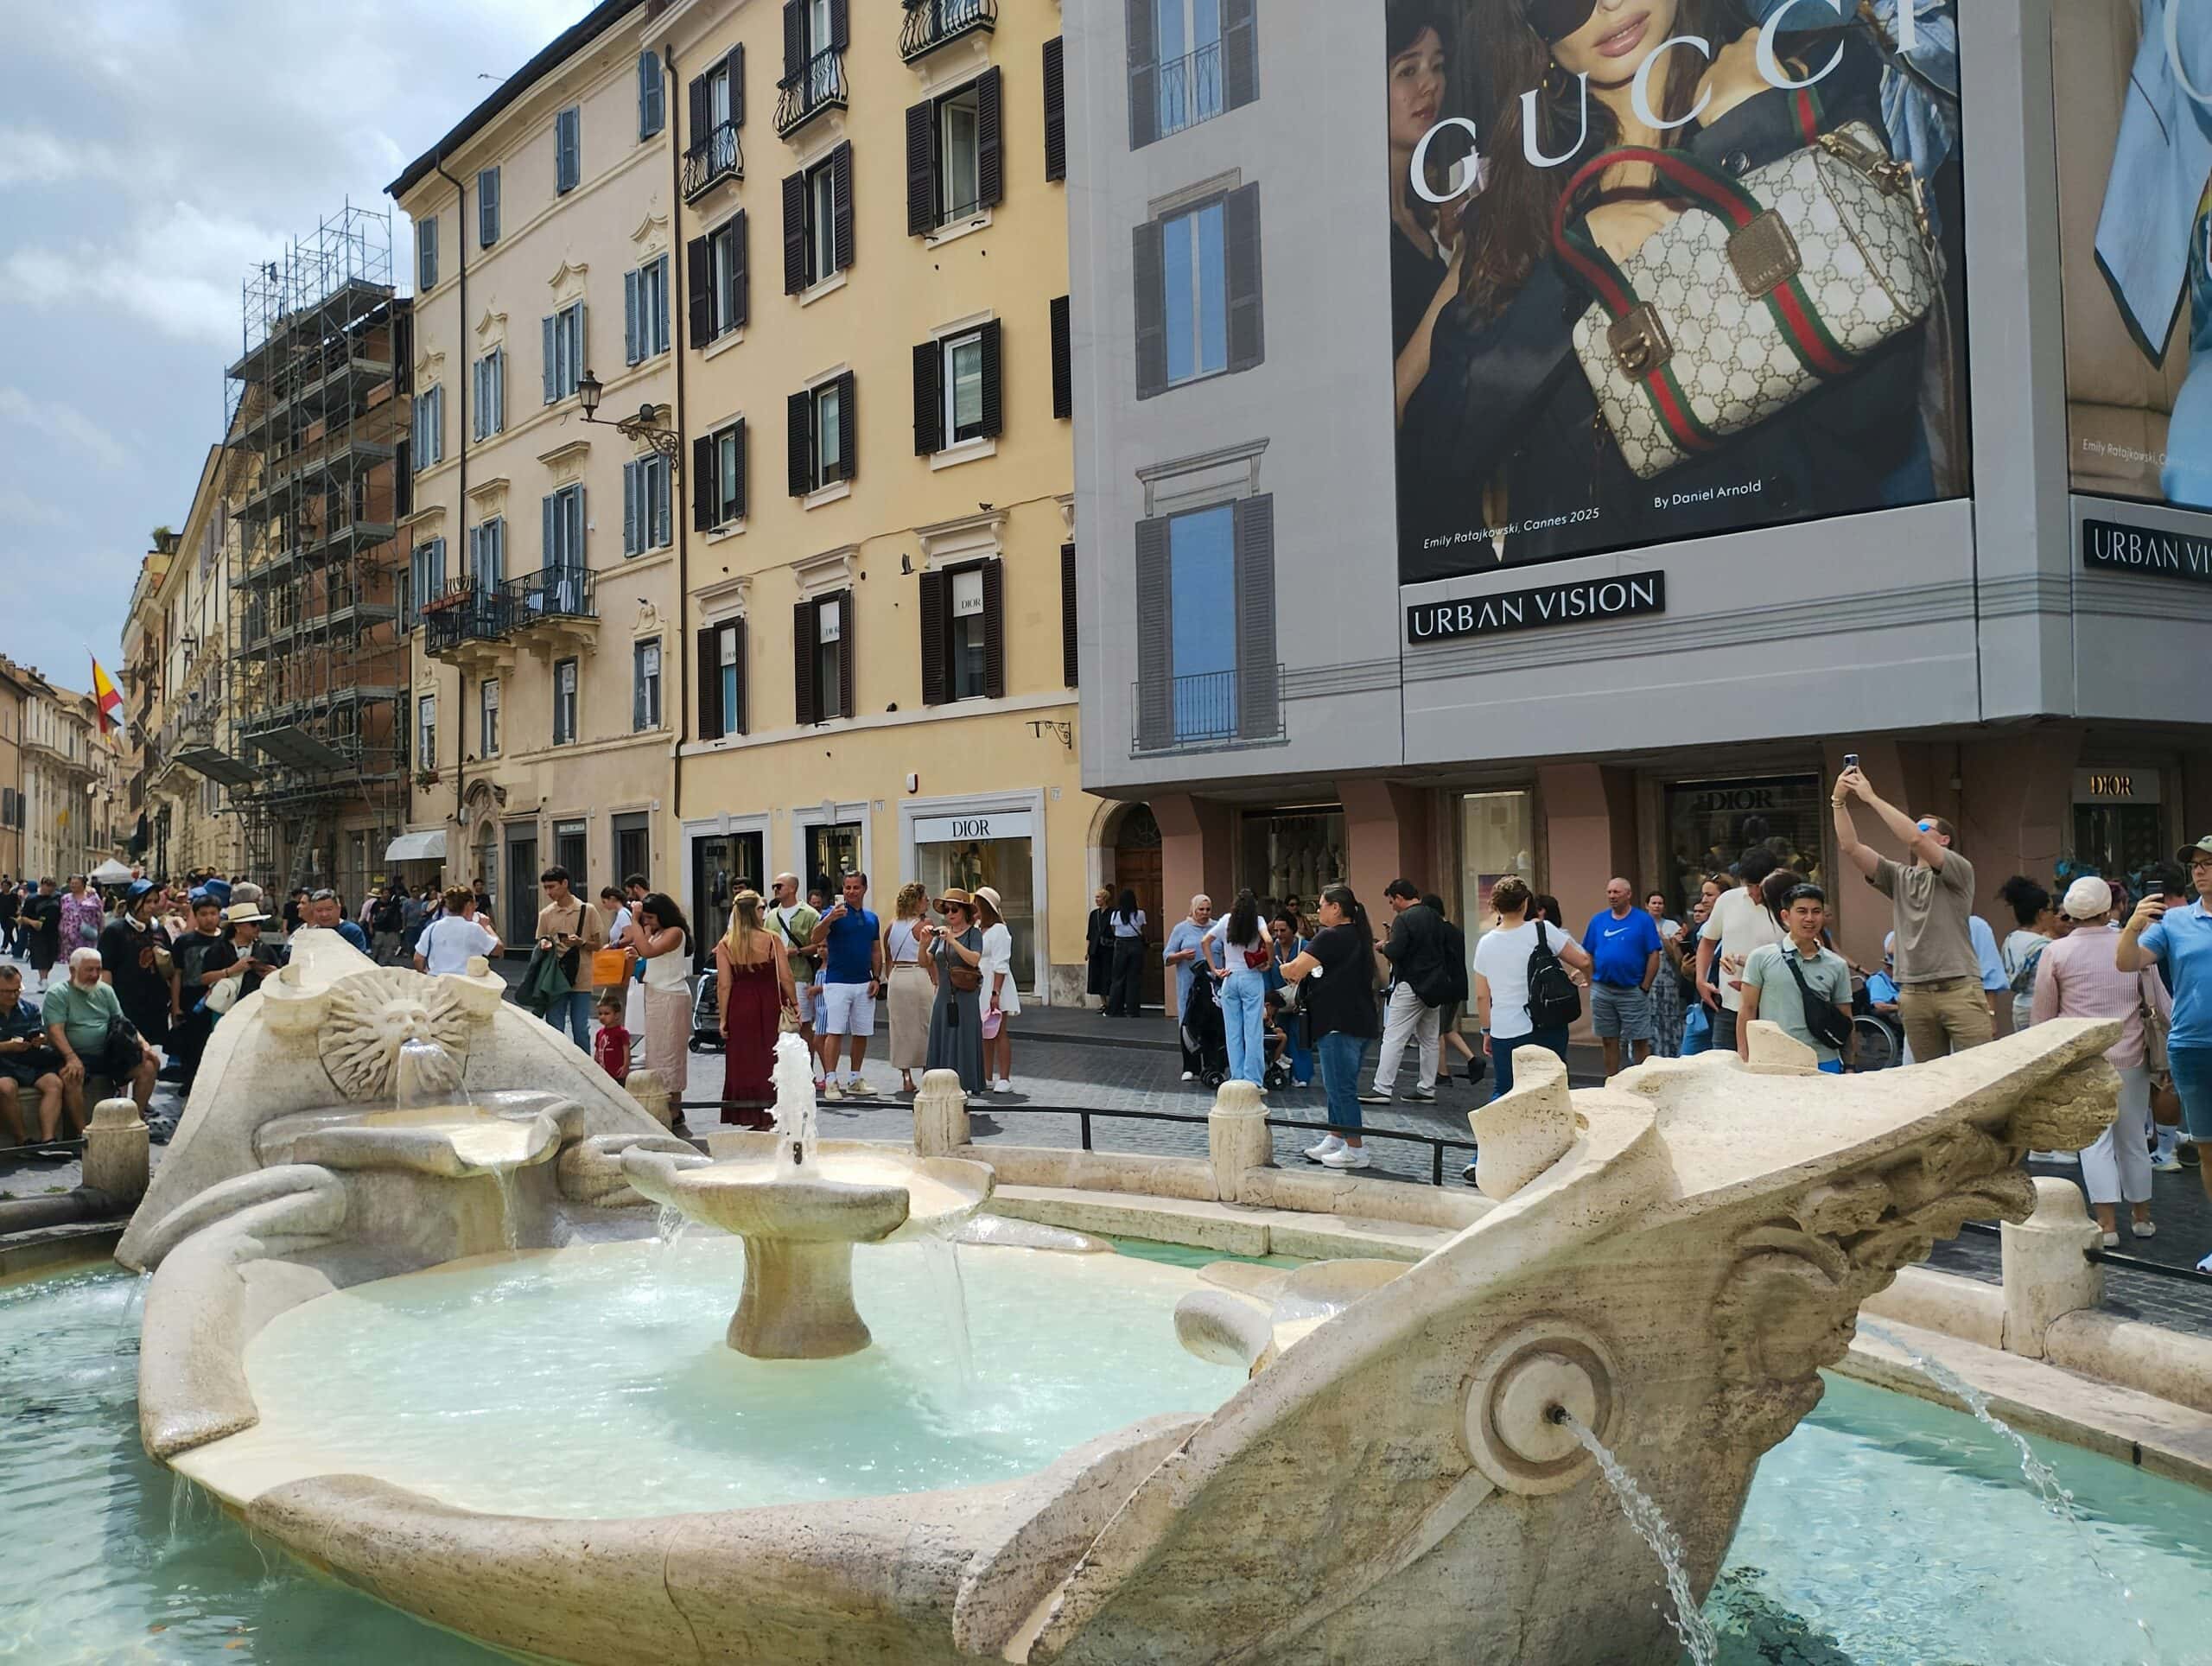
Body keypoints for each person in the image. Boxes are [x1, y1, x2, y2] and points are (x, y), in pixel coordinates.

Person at [2035, 876, 2168, 1248]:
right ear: (2109, 907)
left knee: (2094, 1142)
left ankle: (2107, 1225)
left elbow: (2043, 1017)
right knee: (2134, 1138)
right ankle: (2142, 1218)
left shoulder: (2055, 952)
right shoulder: (2132, 945)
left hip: (2082, 1060)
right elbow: (2160, 1003)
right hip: (2131, 1055)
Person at [1833, 766, 1989, 1060]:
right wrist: (1838, 801)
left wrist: (1871, 798)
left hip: (1958, 987)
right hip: (1913, 991)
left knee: (1978, 1070)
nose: (1915, 830)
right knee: (1928, 1075)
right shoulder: (1899, 877)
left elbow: (1915, 839)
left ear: (1944, 840)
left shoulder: (1958, 869)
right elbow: (1850, 846)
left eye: (1924, 827)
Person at [2117, 836, 2212, 1272]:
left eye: (2208, 863)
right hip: (2191, 1044)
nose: (2200, 871)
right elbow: (2127, 962)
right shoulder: (2176, 921)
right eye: (2196, 865)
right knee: (2207, 1149)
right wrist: (2132, 925)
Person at [1386, 3, 1461, 423]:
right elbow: (1383, 409)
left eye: (1438, 66)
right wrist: (1461, 270)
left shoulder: (1420, 220)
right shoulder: (1356, 234)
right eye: (1408, 70)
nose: (1430, 84)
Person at [1279, 883, 1381, 1169]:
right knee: (1339, 1083)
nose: (1318, 910)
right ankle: (1335, 1138)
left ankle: (1356, 1149)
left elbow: (1295, 969)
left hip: (1337, 1022)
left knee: (1340, 1088)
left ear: (1336, 908)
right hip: (1359, 1021)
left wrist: (1284, 968)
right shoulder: (1359, 935)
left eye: (1321, 904)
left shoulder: (1330, 936)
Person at [1474, 877, 1593, 1103]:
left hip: (1505, 1028)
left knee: (1506, 1091)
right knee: (1551, 1090)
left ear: (1495, 906)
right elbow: (1584, 961)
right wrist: (1588, 979)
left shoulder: (1485, 944)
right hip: (1547, 1022)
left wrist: (1487, 1031)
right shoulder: (1542, 930)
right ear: (1525, 903)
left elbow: (1482, 995)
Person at [1738, 883, 1854, 1072]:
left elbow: (1846, 1017)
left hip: (1824, 1061)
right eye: (1802, 911)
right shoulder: (1760, 957)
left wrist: (1850, 1065)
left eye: (1816, 912)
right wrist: (1744, 1057)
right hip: (1775, 1060)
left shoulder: (1837, 965)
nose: (1810, 918)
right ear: (1786, 916)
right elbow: (1747, 1009)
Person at [44, 947, 156, 1122]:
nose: (95, 975)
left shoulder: (105, 990)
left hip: (109, 1054)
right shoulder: (58, 993)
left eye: (98, 969)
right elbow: (55, 1031)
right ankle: (83, 1131)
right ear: (73, 970)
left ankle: (136, 1119)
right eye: (89, 970)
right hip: (75, 1054)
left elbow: (123, 1022)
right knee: (71, 1076)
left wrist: (143, 1044)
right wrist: (71, 1057)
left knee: (149, 1064)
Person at [1365, 878, 1451, 1105]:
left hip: (1411, 985)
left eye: (1392, 901)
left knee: (1393, 1037)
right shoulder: (1434, 916)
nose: (1392, 906)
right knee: (1430, 1039)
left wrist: (1384, 946)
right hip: (1434, 986)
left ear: (1400, 898)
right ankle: (1427, 1089)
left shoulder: (1404, 919)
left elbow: (1396, 951)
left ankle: (1382, 1088)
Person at [715, 888, 792, 1129]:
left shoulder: (726, 944)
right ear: (752, 912)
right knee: (769, 1055)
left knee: (744, 1058)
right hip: (769, 1002)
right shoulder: (772, 939)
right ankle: (772, 1111)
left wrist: (723, 1018)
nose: (764, 911)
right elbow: (785, 976)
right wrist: (795, 1003)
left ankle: (747, 1112)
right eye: (761, 907)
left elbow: (724, 984)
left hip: (740, 1004)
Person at [1700, 849, 1783, 1055]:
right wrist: (1700, 980)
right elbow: (1708, 942)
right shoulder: (1728, 900)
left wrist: (1745, 961)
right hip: (1730, 1005)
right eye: (1749, 886)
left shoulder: (1787, 906)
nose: (1754, 892)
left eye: (1759, 886)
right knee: (1724, 1066)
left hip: (1776, 1010)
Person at [808, 872, 882, 1099]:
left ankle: (854, 1079)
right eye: (847, 887)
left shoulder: (872, 918)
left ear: (864, 889)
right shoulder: (832, 913)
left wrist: (877, 977)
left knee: (862, 1032)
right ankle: (831, 1080)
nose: (851, 892)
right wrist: (829, 919)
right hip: (837, 982)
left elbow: (876, 950)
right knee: (835, 1031)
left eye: (856, 887)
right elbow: (815, 938)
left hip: (864, 982)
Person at [1581, 877, 1663, 1077]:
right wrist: (1589, 978)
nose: (1612, 896)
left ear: (1628, 894)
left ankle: (1642, 1084)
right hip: (1603, 990)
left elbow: (1654, 954)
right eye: (1609, 892)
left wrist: (1645, 986)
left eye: (1616, 892)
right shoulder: (1598, 921)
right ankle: (1612, 1082)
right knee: (1608, 1040)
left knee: (1640, 1040)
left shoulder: (1643, 920)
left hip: (1632, 990)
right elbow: (1588, 953)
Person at [1202, 888, 1273, 1089]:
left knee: (1232, 1031)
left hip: (1230, 976)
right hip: (1251, 976)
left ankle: (1237, 1076)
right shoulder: (1258, 921)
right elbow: (1268, 940)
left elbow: (1205, 941)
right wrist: (1269, 962)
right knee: (1253, 1031)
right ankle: (1253, 1079)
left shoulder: (1226, 920)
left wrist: (1214, 968)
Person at [919, 888, 987, 1096]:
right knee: (942, 1036)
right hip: (944, 995)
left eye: (954, 909)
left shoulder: (973, 934)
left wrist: (953, 941)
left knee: (964, 1037)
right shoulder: (941, 935)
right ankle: (939, 1083)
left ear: (965, 911)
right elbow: (925, 962)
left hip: (966, 995)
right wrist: (923, 944)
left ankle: (966, 1083)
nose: (950, 913)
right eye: (946, 909)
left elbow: (974, 959)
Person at [96, 879, 173, 1057]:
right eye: (147, 901)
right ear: (133, 902)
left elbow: (172, 968)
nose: (152, 906)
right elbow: (106, 970)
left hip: (155, 1005)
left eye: (155, 901)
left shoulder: (159, 931)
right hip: (126, 1004)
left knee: (151, 1053)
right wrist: (108, 1007)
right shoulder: (115, 931)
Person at [629, 893, 694, 1098]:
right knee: (656, 1053)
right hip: (657, 994)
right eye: (645, 918)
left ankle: (673, 1104)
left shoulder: (675, 932)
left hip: (671, 996)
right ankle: (660, 1099)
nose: (647, 922)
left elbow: (648, 951)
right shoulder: (658, 932)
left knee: (670, 1054)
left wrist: (634, 920)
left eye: (650, 917)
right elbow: (648, 952)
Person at [532, 866, 605, 1049]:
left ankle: (584, 1064)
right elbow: (540, 942)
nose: (549, 892)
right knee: (555, 1026)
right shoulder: (546, 914)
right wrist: (544, 945)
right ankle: (559, 1062)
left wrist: (581, 943)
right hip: (555, 978)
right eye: (546, 888)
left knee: (581, 1028)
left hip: (581, 977)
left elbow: (598, 945)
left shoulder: (588, 910)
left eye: (552, 887)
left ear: (565, 883)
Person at [766, 873, 822, 1079]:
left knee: (803, 1023)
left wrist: (797, 951)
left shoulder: (809, 914)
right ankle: (782, 1070)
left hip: (800, 975)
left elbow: (820, 944)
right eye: (774, 886)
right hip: (774, 977)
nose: (775, 889)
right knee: (777, 1023)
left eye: (779, 885)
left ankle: (807, 1071)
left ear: (792, 888)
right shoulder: (772, 916)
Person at [0, 963, 64, 1144]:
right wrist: (7, 1046)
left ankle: (48, 1139)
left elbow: (41, 1033)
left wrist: (40, 1039)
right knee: (6, 1088)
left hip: (28, 1061)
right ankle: (22, 1140)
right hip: (3, 1065)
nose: (13, 995)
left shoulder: (30, 1009)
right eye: (7, 992)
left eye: (17, 990)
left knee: (54, 1084)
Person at [1422, 893, 1481, 1086]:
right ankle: (1473, 1060)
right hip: (1458, 985)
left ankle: (1443, 1073)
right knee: (1447, 1028)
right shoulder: (1455, 930)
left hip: (1443, 987)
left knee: (1436, 1032)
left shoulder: (1436, 932)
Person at [883, 882, 932, 1093]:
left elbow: (888, 958)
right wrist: (936, 982)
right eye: (925, 898)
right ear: (917, 902)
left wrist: (890, 978)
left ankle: (906, 1076)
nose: (928, 901)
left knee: (900, 1027)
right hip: (917, 974)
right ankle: (927, 1072)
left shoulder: (891, 927)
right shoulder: (924, 925)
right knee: (925, 1024)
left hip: (897, 977)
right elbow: (930, 958)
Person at [1997, 876, 2056, 1036]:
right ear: (2041, 913)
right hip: (2040, 1007)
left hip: (2019, 1005)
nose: (2054, 915)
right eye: (2051, 910)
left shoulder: (2011, 939)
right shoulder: (2045, 946)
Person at [1162, 895, 1213, 1079]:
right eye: (1201, 909)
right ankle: (1191, 1067)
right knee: (1189, 1023)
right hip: (1189, 985)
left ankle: (1212, 1065)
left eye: (1208, 909)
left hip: (1212, 985)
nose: (1205, 913)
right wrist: (1181, 955)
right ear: (1193, 909)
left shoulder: (1217, 928)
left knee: (1212, 1023)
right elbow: (1167, 957)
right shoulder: (1181, 929)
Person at [976, 886, 1020, 1095]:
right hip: (980, 983)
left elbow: (1001, 962)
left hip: (995, 983)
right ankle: (986, 1076)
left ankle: (1004, 1077)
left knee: (1000, 1031)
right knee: (985, 1033)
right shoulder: (977, 929)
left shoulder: (1000, 930)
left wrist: (996, 993)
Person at [1268, 908, 1316, 1087]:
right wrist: (1270, 1002)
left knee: (1300, 1036)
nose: (1279, 934)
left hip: (1300, 1001)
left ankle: (1301, 1075)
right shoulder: (1271, 948)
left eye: (1283, 930)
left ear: (1293, 929)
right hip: (1277, 1002)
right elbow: (1266, 975)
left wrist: (1306, 998)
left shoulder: (1305, 947)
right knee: (1281, 1037)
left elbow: (1314, 973)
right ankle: (1280, 1074)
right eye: (1276, 930)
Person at [415, 886, 502, 976]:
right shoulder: (473, 929)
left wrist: (426, 973)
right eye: (475, 904)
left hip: (438, 980)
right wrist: (486, 926)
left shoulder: (432, 928)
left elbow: (418, 959)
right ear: (469, 905)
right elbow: (498, 949)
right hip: (465, 980)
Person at [1646, 889, 1687, 1059]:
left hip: (1668, 978)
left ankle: (1670, 1053)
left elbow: (1676, 956)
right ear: (1647, 906)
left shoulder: (1671, 926)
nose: (1657, 906)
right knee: (1649, 1016)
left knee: (1669, 1015)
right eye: (1654, 903)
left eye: (1660, 903)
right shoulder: (1641, 924)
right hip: (1646, 977)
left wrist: (1663, 938)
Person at [1104, 887, 1149, 1018]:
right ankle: (1132, 1010)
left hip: (1120, 944)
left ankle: (1115, 1009)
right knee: (1134, 978)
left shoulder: (1115, 914)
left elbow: (1113, 929)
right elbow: (1142, 929)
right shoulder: (1140, 914)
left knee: (1117, 978)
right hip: (1135, 944)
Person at [21, 878, 60, 993]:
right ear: (42, 885)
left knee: (51, 956)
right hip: (38, 932)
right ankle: (44, 980)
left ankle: (44, 977)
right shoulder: (32, 899)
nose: (50, 890)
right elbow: (23, 917)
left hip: (54, 932)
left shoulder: (57, 897)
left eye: (52, 887)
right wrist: (33, 923)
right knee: (41, 955)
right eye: (48, 886)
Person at [308, 888, 371, 954]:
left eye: (329, 909)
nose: (324, 914)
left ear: (339, 909)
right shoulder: (312, 932)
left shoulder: (351, 931)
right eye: (319, 910)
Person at [1085, 886, 1116, 1010]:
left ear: (1105, 899)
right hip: (1095, 949)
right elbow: (1089, 934)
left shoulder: (1113, 913)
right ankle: (1103, 1003)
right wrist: (1087, 950)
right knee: (1097, 976)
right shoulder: (1093, 914)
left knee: (1108, 975)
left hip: (1108, 949)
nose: (1096, 899)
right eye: (1096, 897)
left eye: (1098, 897)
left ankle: (1111, 1002)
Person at [592, 995, 632, 1083]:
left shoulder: (621, 1032)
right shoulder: (599, 1033)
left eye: (607, 1014)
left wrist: (626, 1066)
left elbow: (626, 1050)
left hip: (617, 1073)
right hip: (603, 1073)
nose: (602, 1017)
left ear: (616, 1015)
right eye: (600, 1014)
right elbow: (598, 1051)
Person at [369, 886, 406, 964]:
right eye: (385, 893)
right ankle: (375, 958)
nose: (387, 895)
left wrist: (400, 926)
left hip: (391, 928)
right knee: (378, 944)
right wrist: (370, 927)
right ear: (381, 894)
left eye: (388, 893)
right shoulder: (376, 904)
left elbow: (398, 915)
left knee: (390, 945)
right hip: (379, 927)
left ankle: (387, 961)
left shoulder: (393, 904)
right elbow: (371, 916)